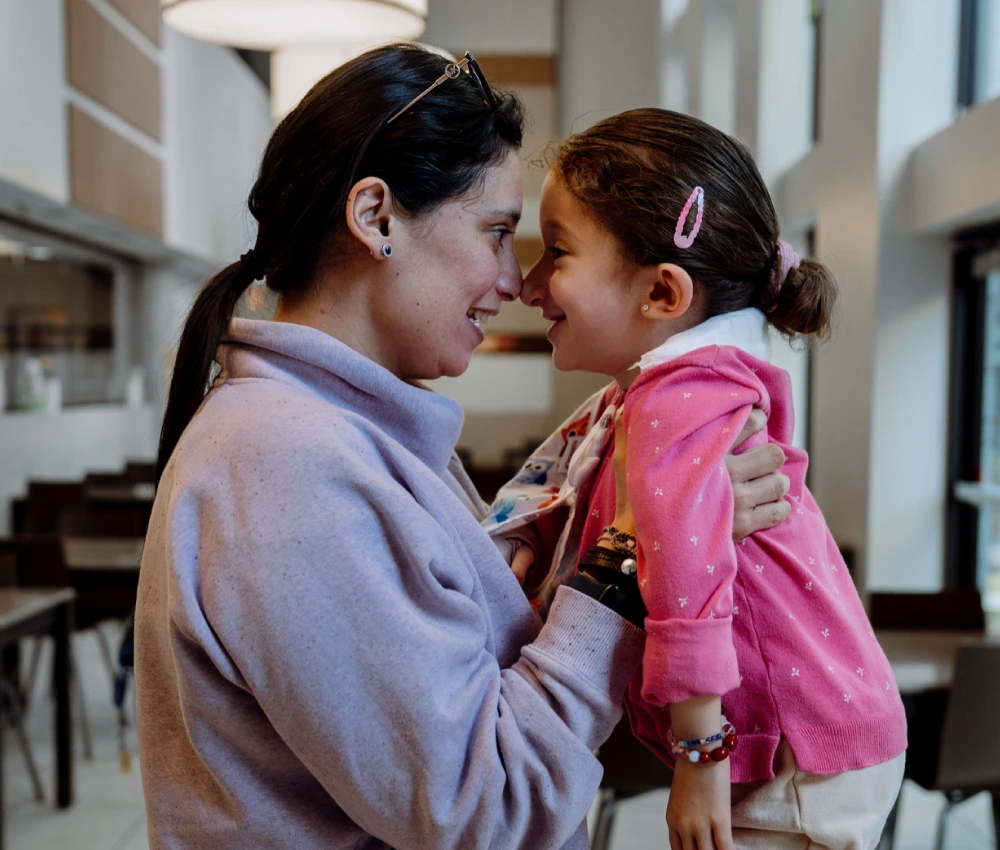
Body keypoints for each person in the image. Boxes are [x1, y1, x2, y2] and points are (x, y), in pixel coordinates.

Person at [135, 47, 789, 850]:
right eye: (498, 232)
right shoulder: (282, 463)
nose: (516, 282)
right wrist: (631, 560)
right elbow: (483, 807)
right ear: (376, 218)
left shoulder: (346, 434)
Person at [487, 108, 907, 850]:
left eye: (557, 253)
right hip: (808, 735)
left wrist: (700, 757)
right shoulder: (677, 388)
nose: (528, 283)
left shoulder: (677, 397)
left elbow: (686, 571)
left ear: (663, 295)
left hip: (792, 751)